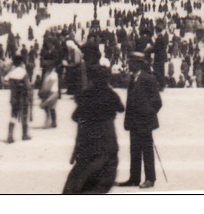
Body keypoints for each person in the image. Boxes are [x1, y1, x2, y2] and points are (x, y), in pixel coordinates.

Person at [63, 65, 125, 194]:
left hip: (89, 135)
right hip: (107, 135)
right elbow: (121, 108)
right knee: (105, 173)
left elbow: (75, 117)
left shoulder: (86, 94)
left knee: (83, 171)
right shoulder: (111, 94)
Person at [118, 52, 162, 189]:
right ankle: (134, 178)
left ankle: (150, 179)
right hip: (134, 122)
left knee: (147, 151)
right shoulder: (132, 80)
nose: (129, 64)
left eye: (132, 62)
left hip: (144, 122)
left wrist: (147, 115)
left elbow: (157, 102)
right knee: (134, 150)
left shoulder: (148, 79)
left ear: (139, 64)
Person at [6, 54, 31, 143]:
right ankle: (24, 135)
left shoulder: (11, 73)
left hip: (14, 97)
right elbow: (28, 86)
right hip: (23, 97)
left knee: (13, 115)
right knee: (24, 115)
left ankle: (10, 135)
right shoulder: (23, 72)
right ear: (21, 62)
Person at [39, 58, 60, 128]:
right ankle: (50, 121)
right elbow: (44, 83)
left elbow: (51, 82)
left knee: (51, 108)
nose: (48, 68)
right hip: (46, 92)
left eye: (50, 67)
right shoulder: (46, 73)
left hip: (53, 92)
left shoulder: (54, 74)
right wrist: (42, 91)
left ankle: (53, 122)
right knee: (47, 108)